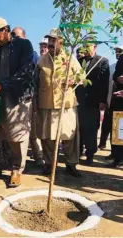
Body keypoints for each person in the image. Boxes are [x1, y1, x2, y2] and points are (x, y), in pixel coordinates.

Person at [0, 17, 34, 187]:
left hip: (18, 96)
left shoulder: (24, 45)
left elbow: (26, 71)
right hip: (0, 96)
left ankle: (16, 169)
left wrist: (3, 84)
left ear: (6, 30)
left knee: (17, 135)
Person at [35, 28, 82, 177]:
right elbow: (35, 82)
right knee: (47, 137)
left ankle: (71, 164)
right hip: (46, 103)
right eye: (49, 40)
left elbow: (82, 75)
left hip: (66, 104)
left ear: (61, 42)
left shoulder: (70, 58)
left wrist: (72, 80)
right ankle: (49, 164)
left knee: (69, 136)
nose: (50, 43)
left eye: (54, 40)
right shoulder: (41, 60)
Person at [11, 27, 43, 165]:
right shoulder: (10, 53)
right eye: (13, 36)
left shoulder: (33, 54)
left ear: (24, 37)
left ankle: (39, 157)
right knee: (20, 131)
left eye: (18, 36)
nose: (15, 39)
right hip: (15, 99)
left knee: (33, 131)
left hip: (30, 97)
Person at [76, 40, 110, 165]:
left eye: (88, 46)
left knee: (90, 129)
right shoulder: (79, 61)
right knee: (78, 128)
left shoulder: (102, 61)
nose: (86, 48)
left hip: (93, 101)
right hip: (78, 100)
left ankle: (90, 155)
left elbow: (104, 83)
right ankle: (77, 152)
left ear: (95, 47)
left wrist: (102, 101)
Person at [99, 45, 123, 150]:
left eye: (120, 51)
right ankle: (114, 154)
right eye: (116, 51)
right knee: (114, 128)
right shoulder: (113, 66)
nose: (118, 53)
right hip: (113, 102)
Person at [107, 53, 123, 167]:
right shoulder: (121, 58)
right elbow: (115, 75)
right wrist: (118, 78)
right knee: (118, 132)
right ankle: (117, 159)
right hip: (118, 101)